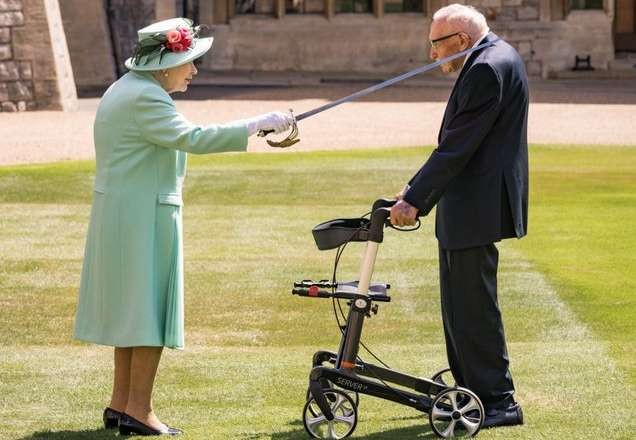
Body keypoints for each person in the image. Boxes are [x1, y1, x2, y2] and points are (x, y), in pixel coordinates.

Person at [73, 18, 294, 436]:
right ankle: (139, 409)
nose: (193, 71)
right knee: (150, 313)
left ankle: (121, 404)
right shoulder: (146, 98)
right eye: (189, 62)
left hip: (126, 215)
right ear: (164, 64)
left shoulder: (127, 88)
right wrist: (257, 124)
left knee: (133, 314)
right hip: (143, 217)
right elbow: (193, 138)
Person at [390, 4, 527, 429]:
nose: (432, 55)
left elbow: (457, 146)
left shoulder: (487, 68)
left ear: (461, 41)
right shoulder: (493, 56)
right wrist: (412, 189)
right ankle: (473, 387)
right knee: (460, 306)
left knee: (472, 308)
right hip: (470, 202)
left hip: (477, 204)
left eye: (436, 45)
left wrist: (414, 198)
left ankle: (498, 401)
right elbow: (458, 142)